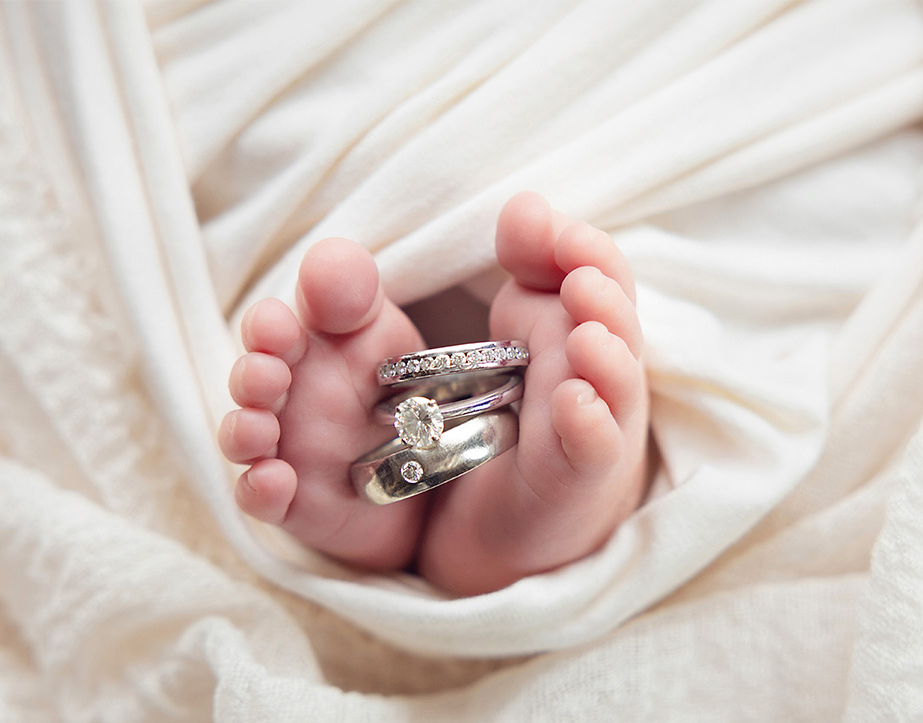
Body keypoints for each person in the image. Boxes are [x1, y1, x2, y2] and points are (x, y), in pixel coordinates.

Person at [218, 191, 651, 595]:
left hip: (439, 394)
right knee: (583, 331)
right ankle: (413, 512)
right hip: (420, 408)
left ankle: (521, 513)